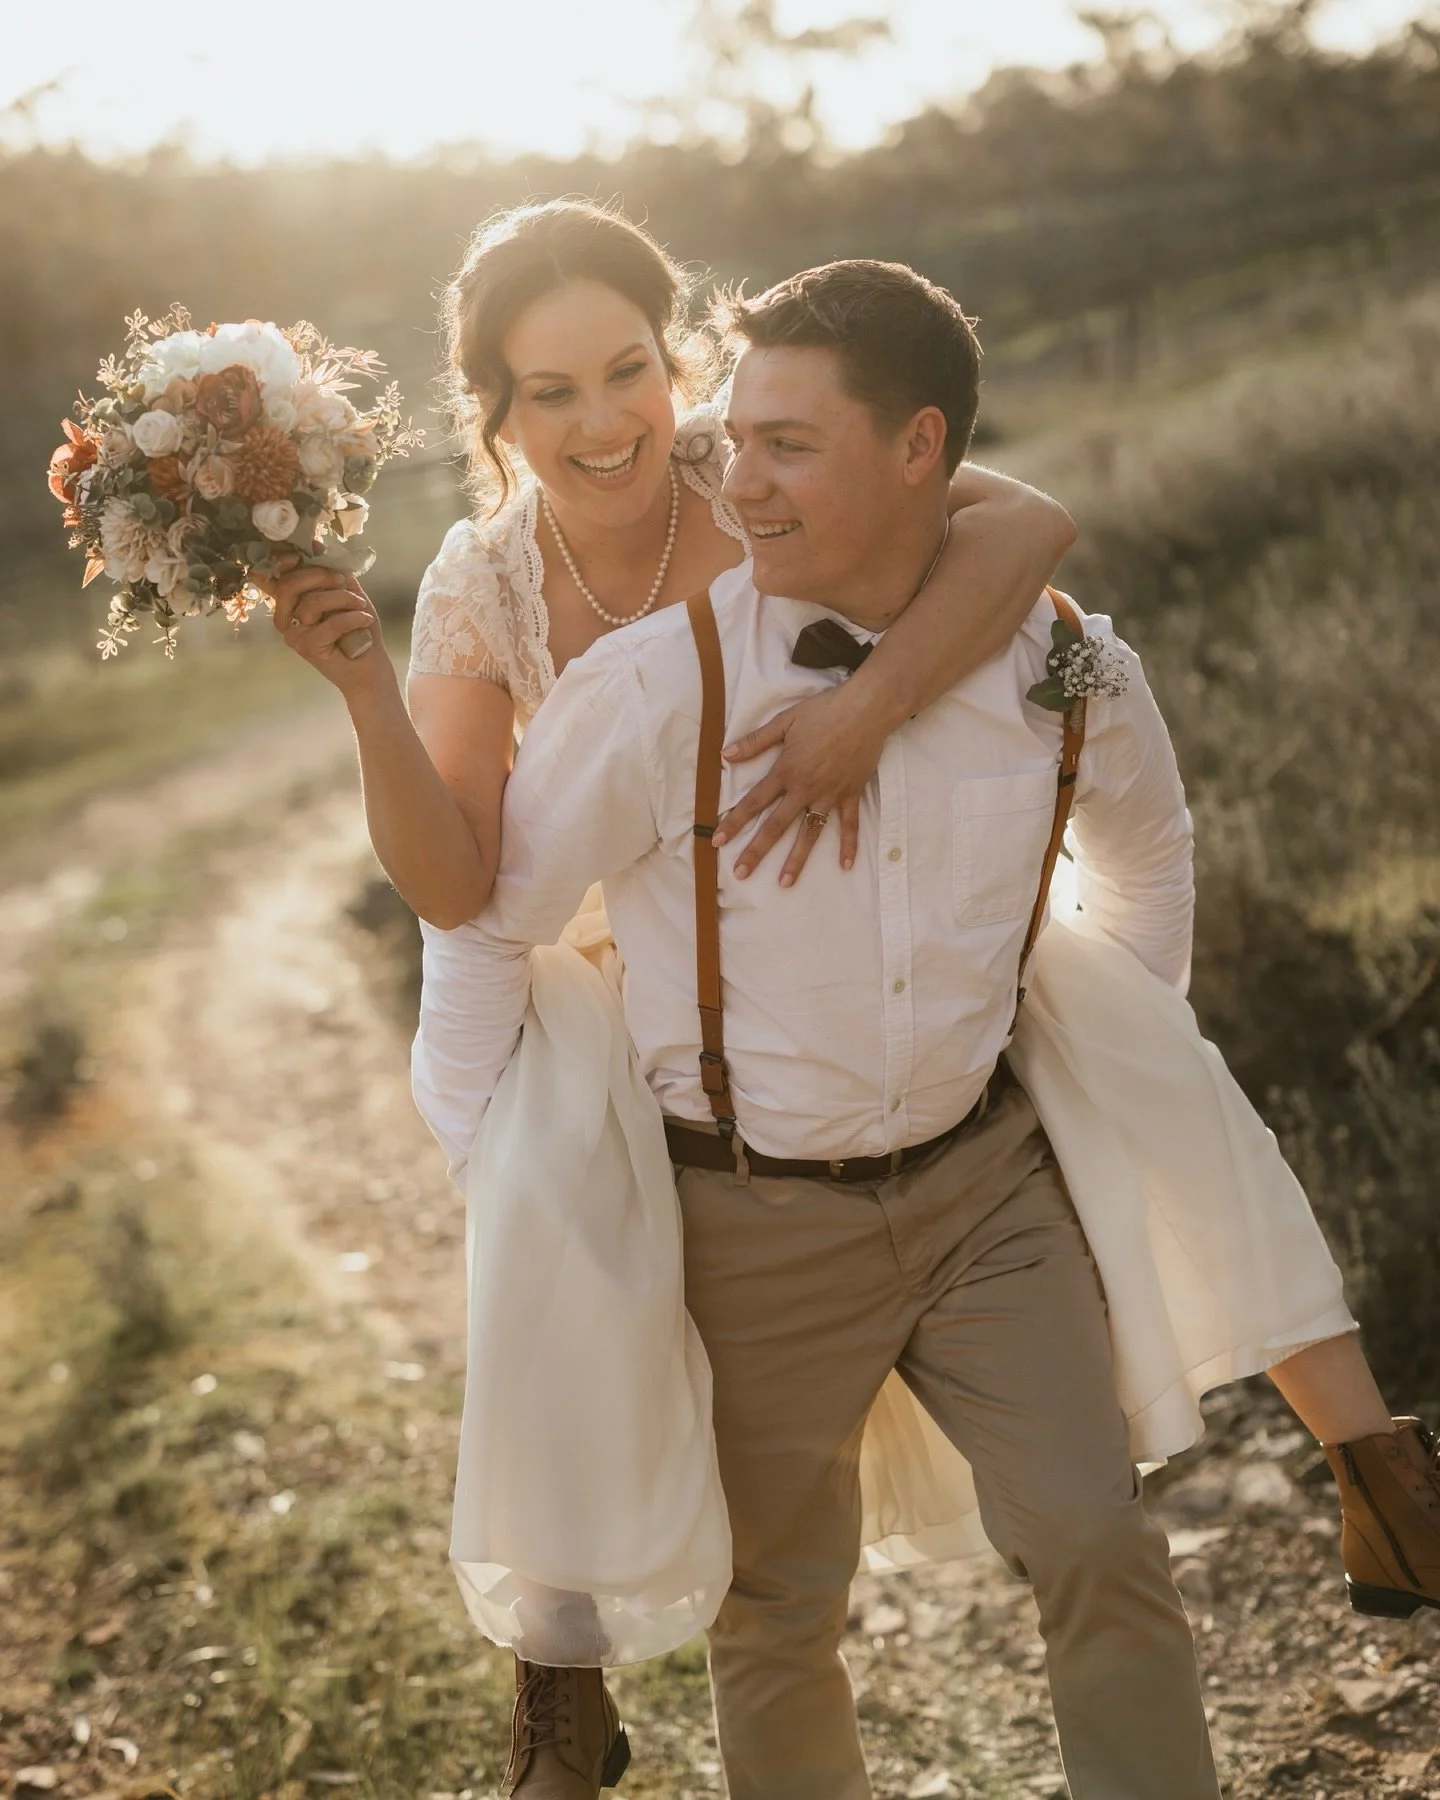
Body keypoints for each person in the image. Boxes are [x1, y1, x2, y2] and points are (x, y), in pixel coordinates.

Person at [411, 259, 1439, 1800]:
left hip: (984, 1193)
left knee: (1100, 1533)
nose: (734, 480)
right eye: (736, 442)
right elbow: (484, 913)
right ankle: (561, 1686)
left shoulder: (1061, 665)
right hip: (745, 1212)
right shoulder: (649, 684)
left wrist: (1106, 1050)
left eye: (785, 447)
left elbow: (1147, 855)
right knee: (778, 1615)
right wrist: (491, 1150)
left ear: (919, 454)